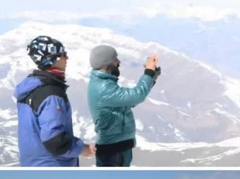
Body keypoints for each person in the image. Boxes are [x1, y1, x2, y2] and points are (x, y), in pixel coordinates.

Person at [14, 36, 95, 166]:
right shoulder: (51, 94)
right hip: (52, 166)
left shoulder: (29, 89)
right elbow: (55, 141)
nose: (67, 58)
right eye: (63, 54)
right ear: (51, 59)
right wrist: (83, 149)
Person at [87, 45, 160, 167]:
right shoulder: (103, 88)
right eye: (115, 59)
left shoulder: (106, 84)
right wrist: (148, 72)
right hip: (112, 152)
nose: (118, 62)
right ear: (107, 63)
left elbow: (130, 101)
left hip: (119, 148)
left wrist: (151, 77)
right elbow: (137, 96)